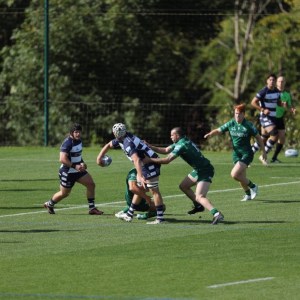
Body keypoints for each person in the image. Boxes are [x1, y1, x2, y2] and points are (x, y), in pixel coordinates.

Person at [143, 127, 224, 225]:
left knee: (199, 196)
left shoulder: (182, 145)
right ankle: (198, 206)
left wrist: (149, 160)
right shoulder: (182, 141)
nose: (170, 137)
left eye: (172, 135)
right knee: (184, 186)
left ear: (177, 135)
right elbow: (165, 150)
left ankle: (217, 214)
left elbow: (167, 160)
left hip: (205, 171)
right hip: (199, 170)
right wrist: (149, 146)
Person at [97, 123, 165, 225]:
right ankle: (129, 214)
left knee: (154, 190)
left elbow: (136, 160)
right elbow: (108, 145)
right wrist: (99, 158)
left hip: (151, 164)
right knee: (139, 188)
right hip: (145, 164)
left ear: (114, 133)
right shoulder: (122, 138)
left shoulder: (127, 142)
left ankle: (160, 218)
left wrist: (141, 176)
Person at [204, 104, 266, 201]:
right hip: (236, 154)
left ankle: (253, 186)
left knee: (235, 174)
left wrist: (264, 152)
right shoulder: (231, 123)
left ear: (243, 114)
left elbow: (259, 138)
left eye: (239, 114)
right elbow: (219, 130)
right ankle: (248, 194)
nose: (237, 116)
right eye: (236, 113)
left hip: (247, 153)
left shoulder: (248, 125)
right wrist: (210, 134)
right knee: (241, 177)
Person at [44, 123, 103, 215]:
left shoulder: (79, 141)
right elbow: (62, 159)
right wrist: (75, 166)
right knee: (64, 193)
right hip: (67, 172)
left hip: (77, 171)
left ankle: (92, 209)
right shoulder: (67, 143)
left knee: (91, 184)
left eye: (79, 132)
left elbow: (77, 155)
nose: (78, 134)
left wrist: (82, 163)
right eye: (76, 132)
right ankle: (50, 204)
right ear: (71, 133)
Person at [251, 73, 281, 166]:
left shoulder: (277, 91)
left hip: (273, 117)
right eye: (270, 80)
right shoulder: (263, 91)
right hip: (265, 117)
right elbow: (253, 102)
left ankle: (248, 155)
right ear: (267, 81)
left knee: (263, 139)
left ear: (275, 82)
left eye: (273, 80)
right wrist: (263, 110)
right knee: (275, 135)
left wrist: (283, 105)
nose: (272, 81)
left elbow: (279, 103)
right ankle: (263, 155)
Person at [271, 76, 296, 163]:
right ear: (276, 82)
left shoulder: (287, 95)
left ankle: (274, 158)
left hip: (280, 117)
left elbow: (288, 107)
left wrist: (291, 109)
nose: (281, 83)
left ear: (285, 83)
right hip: (271, 117)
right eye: (279, 81)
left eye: (282, 81)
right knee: (271, 137)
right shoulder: (273, 93)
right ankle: (262, 154)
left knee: (282, 138)